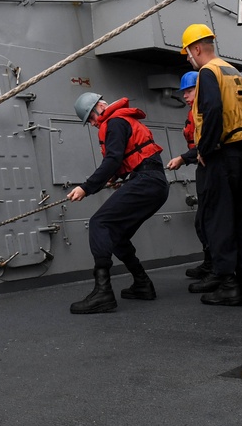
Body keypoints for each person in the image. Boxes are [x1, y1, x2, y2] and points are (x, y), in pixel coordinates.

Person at [66, 92, 170, 314]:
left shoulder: (114, 122)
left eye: (91, 119)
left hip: (147, 181)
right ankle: (142, 284)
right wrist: (117, 177)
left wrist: (86, 187)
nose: (93, 124)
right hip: (153, 183)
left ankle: (103, 292)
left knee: (99, 223)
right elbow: (125, 158)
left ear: (99, 108)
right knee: (118, 235)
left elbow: (113, 159)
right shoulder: (121, 121)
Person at [180, 23, 242, 306]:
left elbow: (212, 109)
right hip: (239, 155)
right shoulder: (231, 70)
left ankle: (228, 285)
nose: (188, 58)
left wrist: (205, 147)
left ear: (196, 49)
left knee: (218, 219)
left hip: (220, 156)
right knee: (239, 217)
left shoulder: (208, 72)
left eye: (188, 53)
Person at [165, 71, 211, 279]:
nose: (185, 95)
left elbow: (207, 141)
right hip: (203, 165)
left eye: (189, 90)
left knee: (209, 220)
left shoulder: (205, 111)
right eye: (184, 92)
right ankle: (212, 263)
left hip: (212, 165)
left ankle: (218, 267)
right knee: (203, 221)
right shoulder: (194, 111)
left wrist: (183, 158)